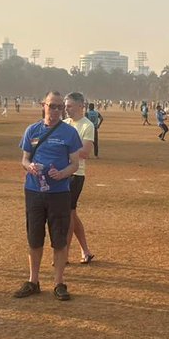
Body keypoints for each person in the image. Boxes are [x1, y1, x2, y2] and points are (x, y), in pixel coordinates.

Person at [14, 92, 82, 301]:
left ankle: (59, 283)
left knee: (59, 239)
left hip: (59, 192)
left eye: (59, 107)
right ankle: (33, 280)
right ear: (43, 105)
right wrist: (30, 166)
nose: (55, 111)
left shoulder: (69, 133)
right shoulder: (32, 130)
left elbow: (75, 164)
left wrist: (62, 174)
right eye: (52, 106)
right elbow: (24, 160)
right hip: (34, 191)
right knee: (34, 237)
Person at [62, 92, 96, 265]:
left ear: (80, 105)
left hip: (76, 175)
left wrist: (63, 150)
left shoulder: (87, 126)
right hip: (62, 174)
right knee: (71, 214)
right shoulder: (64, 124)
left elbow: (85, 152)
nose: (66, 109)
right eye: (65, 106)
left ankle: (65, 254)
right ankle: (86, 251)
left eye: (69, 106)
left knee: (68, 214)